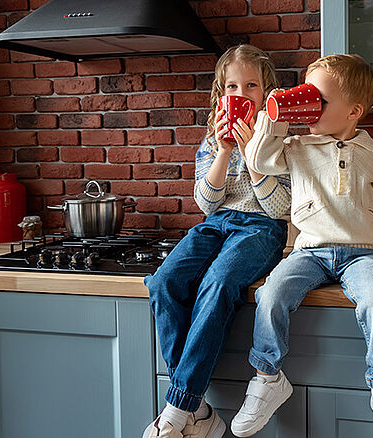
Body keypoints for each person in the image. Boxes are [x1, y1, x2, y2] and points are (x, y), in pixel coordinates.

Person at [231, 54, 373, 438]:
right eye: (307, 94)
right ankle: (267, 378)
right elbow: (260, 159)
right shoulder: (297, 146)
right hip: (309, 252)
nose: (309, 104)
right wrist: (277, 113)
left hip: (363, 251)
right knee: (271, 295)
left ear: (353, 111)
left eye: (319, 98)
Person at [142, 45, 291, 438]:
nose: (241, 94)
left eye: (251, 85)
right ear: (221, 92)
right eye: (232, 86)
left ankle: (177, 409)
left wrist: (251, 151)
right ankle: (200, 410)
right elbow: (207, 204)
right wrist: (225, 151)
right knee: (162, 281)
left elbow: (280, 207)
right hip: (218, 223)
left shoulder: (281, 137)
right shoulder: (212, 139)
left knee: (218, 283)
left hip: (261, 228)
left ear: (267, 91)